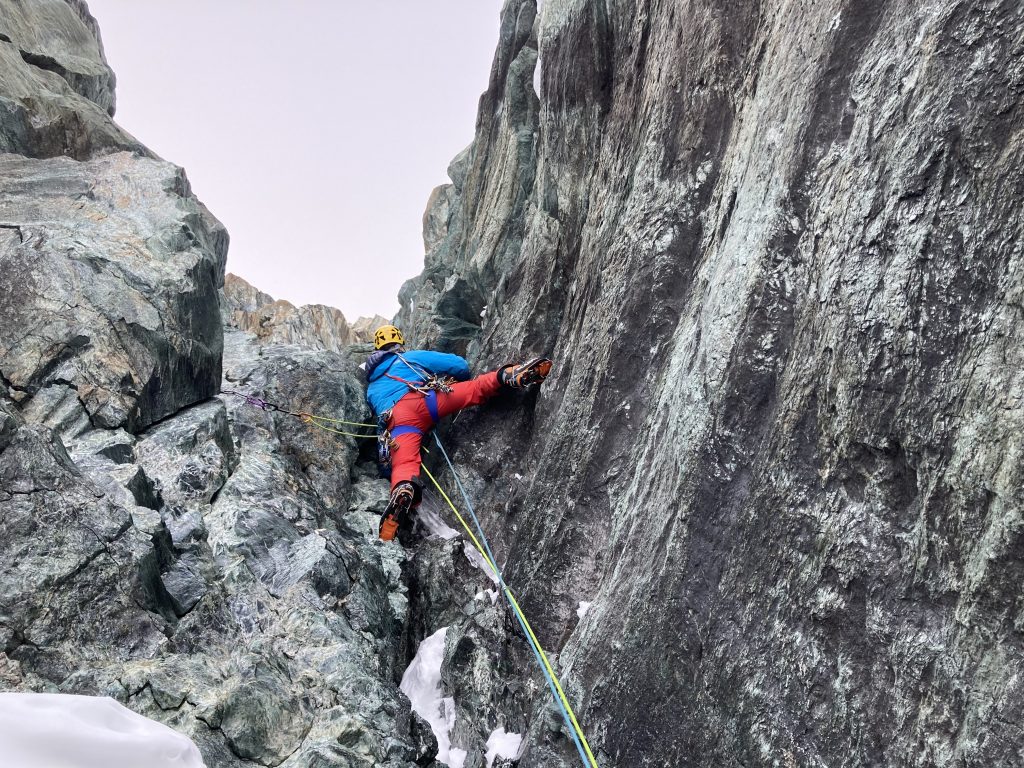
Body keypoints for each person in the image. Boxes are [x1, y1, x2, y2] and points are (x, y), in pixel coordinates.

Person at [363, 324, 551, 541]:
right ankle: (510, 375)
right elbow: (459, 365)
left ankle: (403, 489)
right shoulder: (408, 358)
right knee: (476, 388)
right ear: (399, 342)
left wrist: (387, 468)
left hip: (399, 422)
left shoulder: (371, 388)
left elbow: (381, 430)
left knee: (404, 463)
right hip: (426, 400)